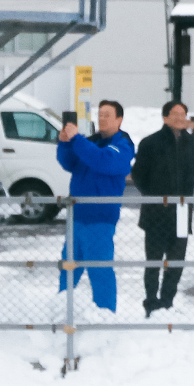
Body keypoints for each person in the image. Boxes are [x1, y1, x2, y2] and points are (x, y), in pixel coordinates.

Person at [130, 100, 194, 317]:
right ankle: (150, 302)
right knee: (153, 262)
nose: (180, 117)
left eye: (183, 113)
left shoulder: (193, 141)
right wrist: (154, 196)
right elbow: (139, 175)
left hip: (182, 212)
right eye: (175, 114)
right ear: (165, 117)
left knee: (176, 262)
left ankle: (167, 302)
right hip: (156, 212)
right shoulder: (150, 143)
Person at [56, 100, 135, 314]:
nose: (102, 119)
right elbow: (69, 163)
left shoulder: (123, 146)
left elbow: (102, 161)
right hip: (78, 216)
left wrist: (77, 139)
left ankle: (105, 314)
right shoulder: (91, 143)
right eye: (100, 114)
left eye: (107, 115)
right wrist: (64, 143)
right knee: (68, 269)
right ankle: (63, 311)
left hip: (100, 219)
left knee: (99, 271)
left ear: (119, 119)